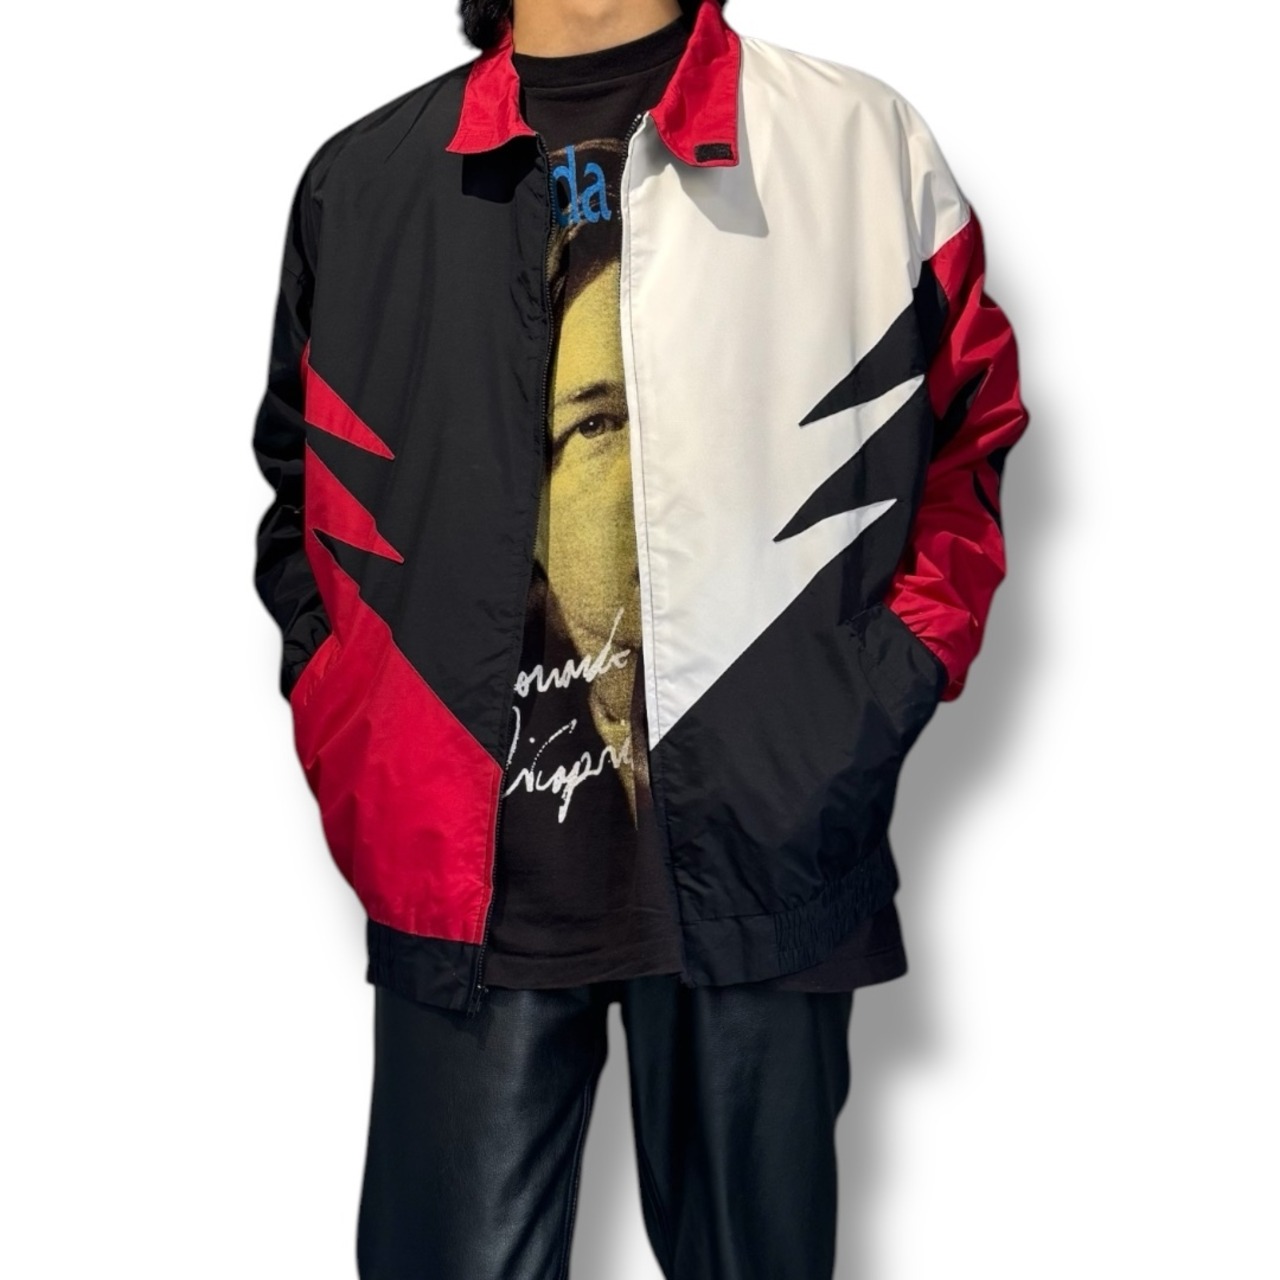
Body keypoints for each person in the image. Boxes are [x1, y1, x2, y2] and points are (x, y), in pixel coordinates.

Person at [250, 0, 1030, 1275]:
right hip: (460, 879)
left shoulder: (850, 142)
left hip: (767, 851)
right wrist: (356, 713)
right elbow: (307, 492)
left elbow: (966, 438)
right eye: (583, 430)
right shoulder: (367, 182)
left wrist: (870, 691)